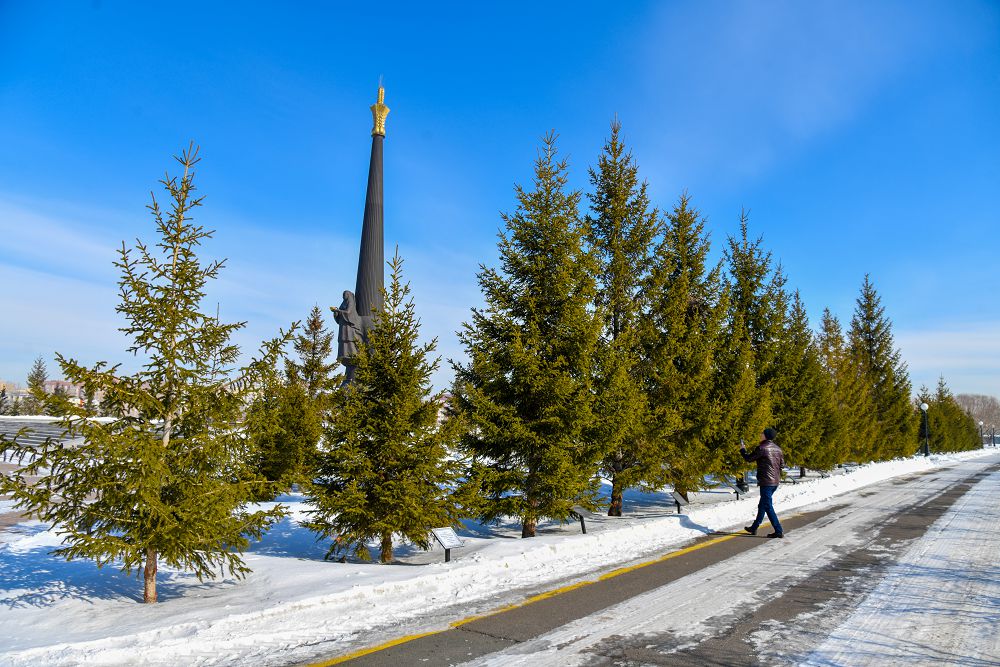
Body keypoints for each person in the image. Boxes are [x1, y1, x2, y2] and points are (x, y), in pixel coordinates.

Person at [741, 427, 785, 538]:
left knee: (768, 506)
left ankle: (778, 530)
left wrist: (742, 450)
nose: (760, 434)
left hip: (766, 482)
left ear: (766, 435)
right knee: (763, 505)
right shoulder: (778, 449)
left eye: (762, 433)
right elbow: (782, 465)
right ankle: (754, 527)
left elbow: (748, 458)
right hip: (775, 482)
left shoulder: (762, 448)